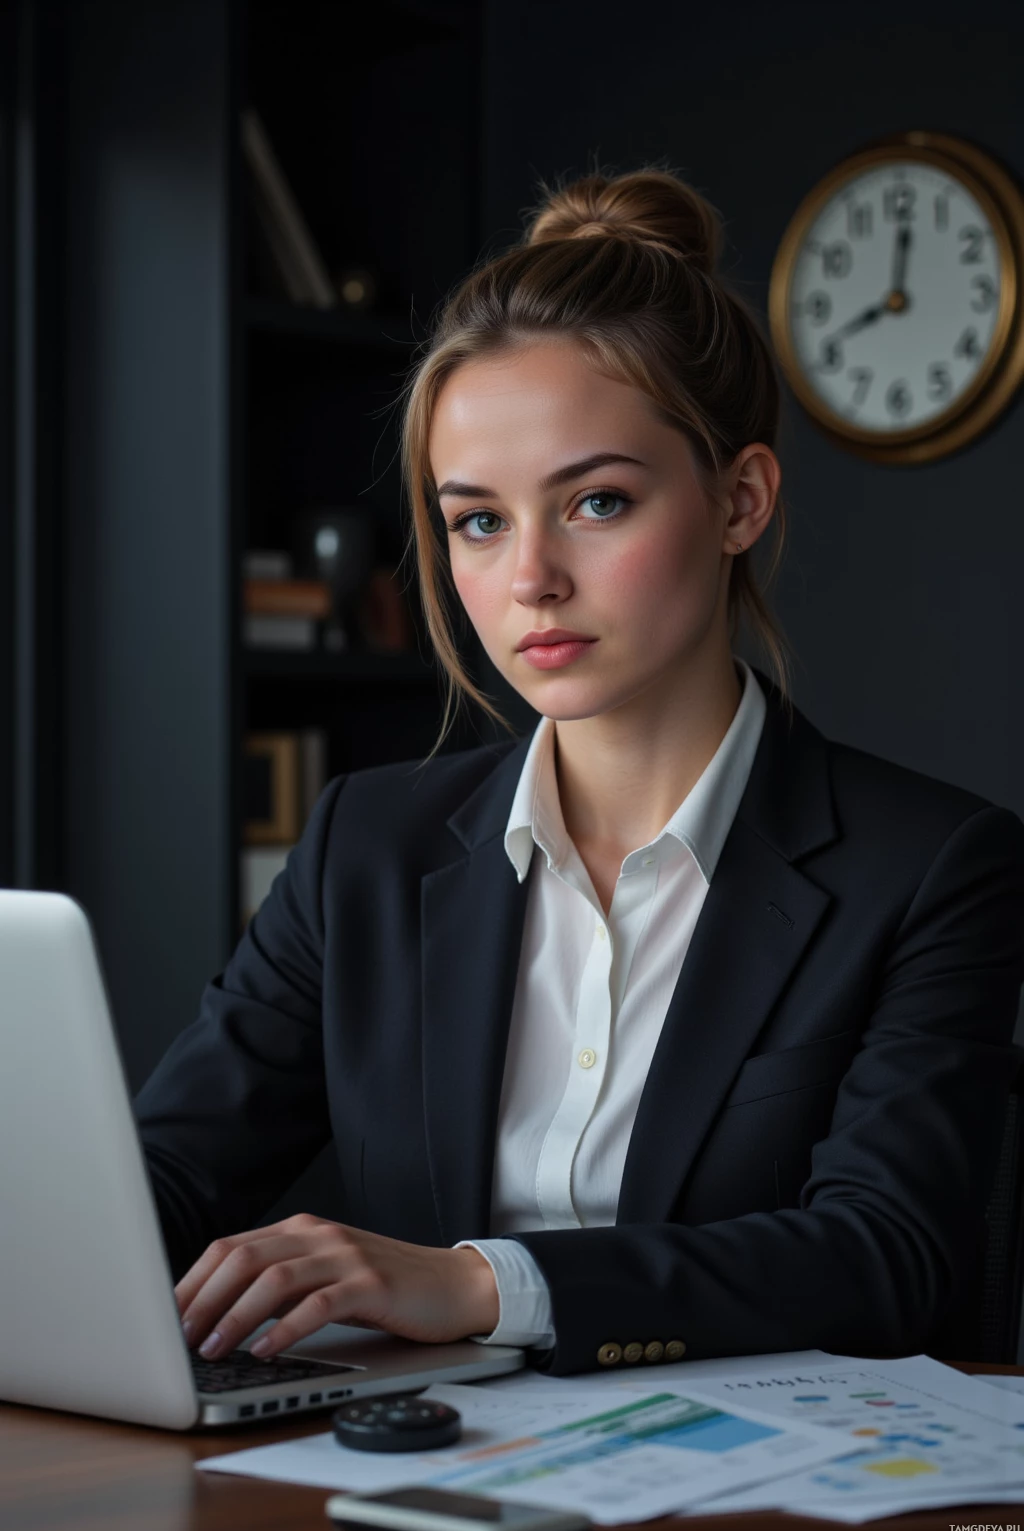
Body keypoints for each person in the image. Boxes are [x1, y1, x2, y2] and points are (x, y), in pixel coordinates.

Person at [134, 165, 1024, 1377]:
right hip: (404, 1469)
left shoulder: (929, 868)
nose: (529, 579)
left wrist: (479, 1284)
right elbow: (175, 1166)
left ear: (739, 500)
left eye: (596, 502)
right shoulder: (366, 844)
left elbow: (884, 1254)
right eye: (478, 520)